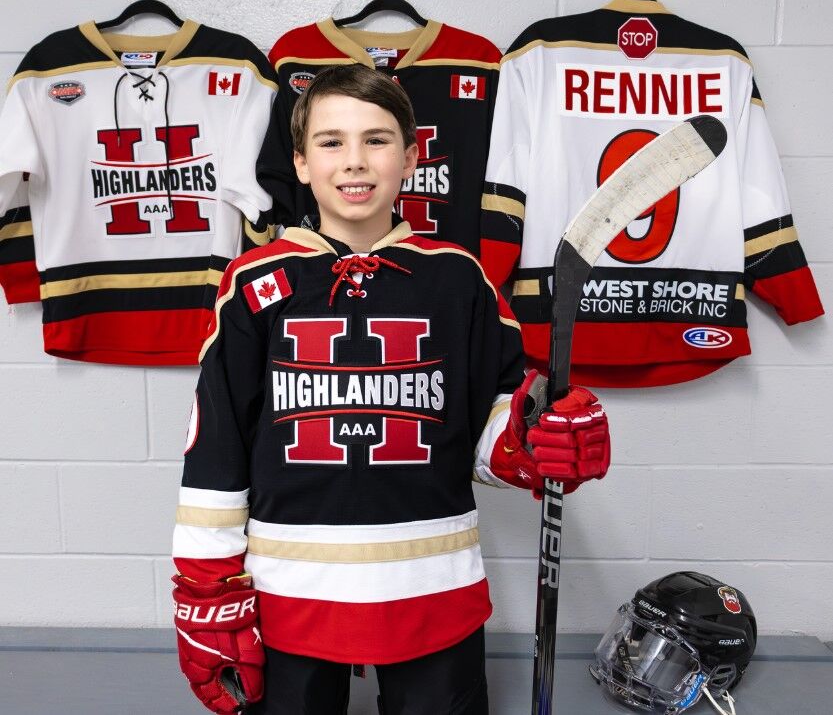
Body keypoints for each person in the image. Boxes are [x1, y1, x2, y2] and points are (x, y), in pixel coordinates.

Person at [171, 64, 610, 715]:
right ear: (299, 162)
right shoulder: (253, 283)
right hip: (288, 590)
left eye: (376, 140)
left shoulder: (459, 279)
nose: (354, 160)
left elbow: (489, 425)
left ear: (410, 158)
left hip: (432, 587)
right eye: (330, 142)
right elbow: (217, 449)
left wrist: (536, 437)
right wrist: (205, 585)